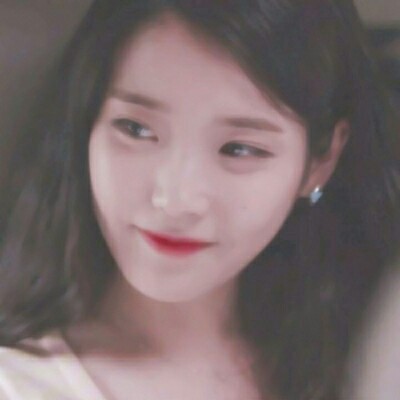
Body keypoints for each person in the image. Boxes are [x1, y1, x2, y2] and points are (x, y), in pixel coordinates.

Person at [0, 1, 399, 399]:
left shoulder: (371, 361)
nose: (175, 200)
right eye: (135, 129)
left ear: (320, 162)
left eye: (240, 149)